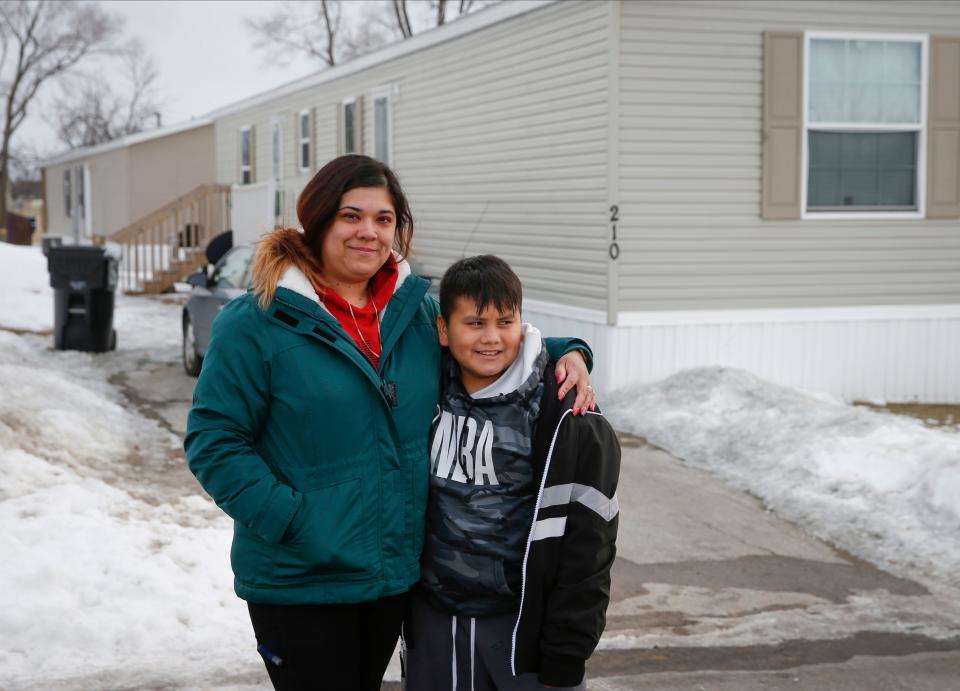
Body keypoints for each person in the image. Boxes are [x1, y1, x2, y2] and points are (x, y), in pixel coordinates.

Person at [183, 155, 597, 691]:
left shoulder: (414, 314)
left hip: (390, 578)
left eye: (384, 219)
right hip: (302, 581)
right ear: (318, 220)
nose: (369, 232)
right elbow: (214, 441)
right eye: (351, 216)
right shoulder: (258, 320)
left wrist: (572, 352)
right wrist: (293, 520)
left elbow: (487, 338)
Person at [403, 255, 621, 691]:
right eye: (475, 323)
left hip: (522, 635)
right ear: (444, 331)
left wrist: (566, 653)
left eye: (505, 322)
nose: (491, 338)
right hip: (433, 624)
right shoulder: (425, 388)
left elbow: (589, 551)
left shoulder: (568, 417)